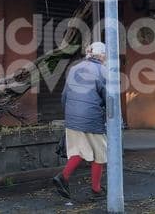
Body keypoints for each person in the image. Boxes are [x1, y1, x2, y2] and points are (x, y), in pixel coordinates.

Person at [53, 41, 107, 199]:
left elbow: (64, 95)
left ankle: (63, 177)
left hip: (72, 118)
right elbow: (107, 96)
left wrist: (70, 114)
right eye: (105, 54)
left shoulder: (74, 68)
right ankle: (96, 190)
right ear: (101, 55)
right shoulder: (102, 70)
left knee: (79, 151)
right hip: (91, 119)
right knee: (99, 153)